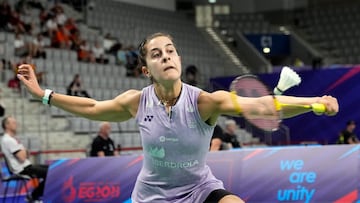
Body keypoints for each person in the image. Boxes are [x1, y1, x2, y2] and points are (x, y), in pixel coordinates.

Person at [16, 32, 339, 203]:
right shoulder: (135, 102)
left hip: (199, 190)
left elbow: (267, 107)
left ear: (179, 59)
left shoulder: (205, 103)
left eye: (170, 50)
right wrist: (43, 94)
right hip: (152, 197)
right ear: (146, 70)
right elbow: (92, 108)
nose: (166, 56)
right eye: (156, 54)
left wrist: (315, 102)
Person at [0, 116, 48, 202]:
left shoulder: (12, 139)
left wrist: (24, 152)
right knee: (49, 173)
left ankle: (34, 196)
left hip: (26, 166)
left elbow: (26, 154)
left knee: (51, 168)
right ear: (7, 125)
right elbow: (22, 157)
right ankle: (33, 197)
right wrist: (24, 151)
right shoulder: (8, 140)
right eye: (14, 123)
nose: (16, 124)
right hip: (22, 169)